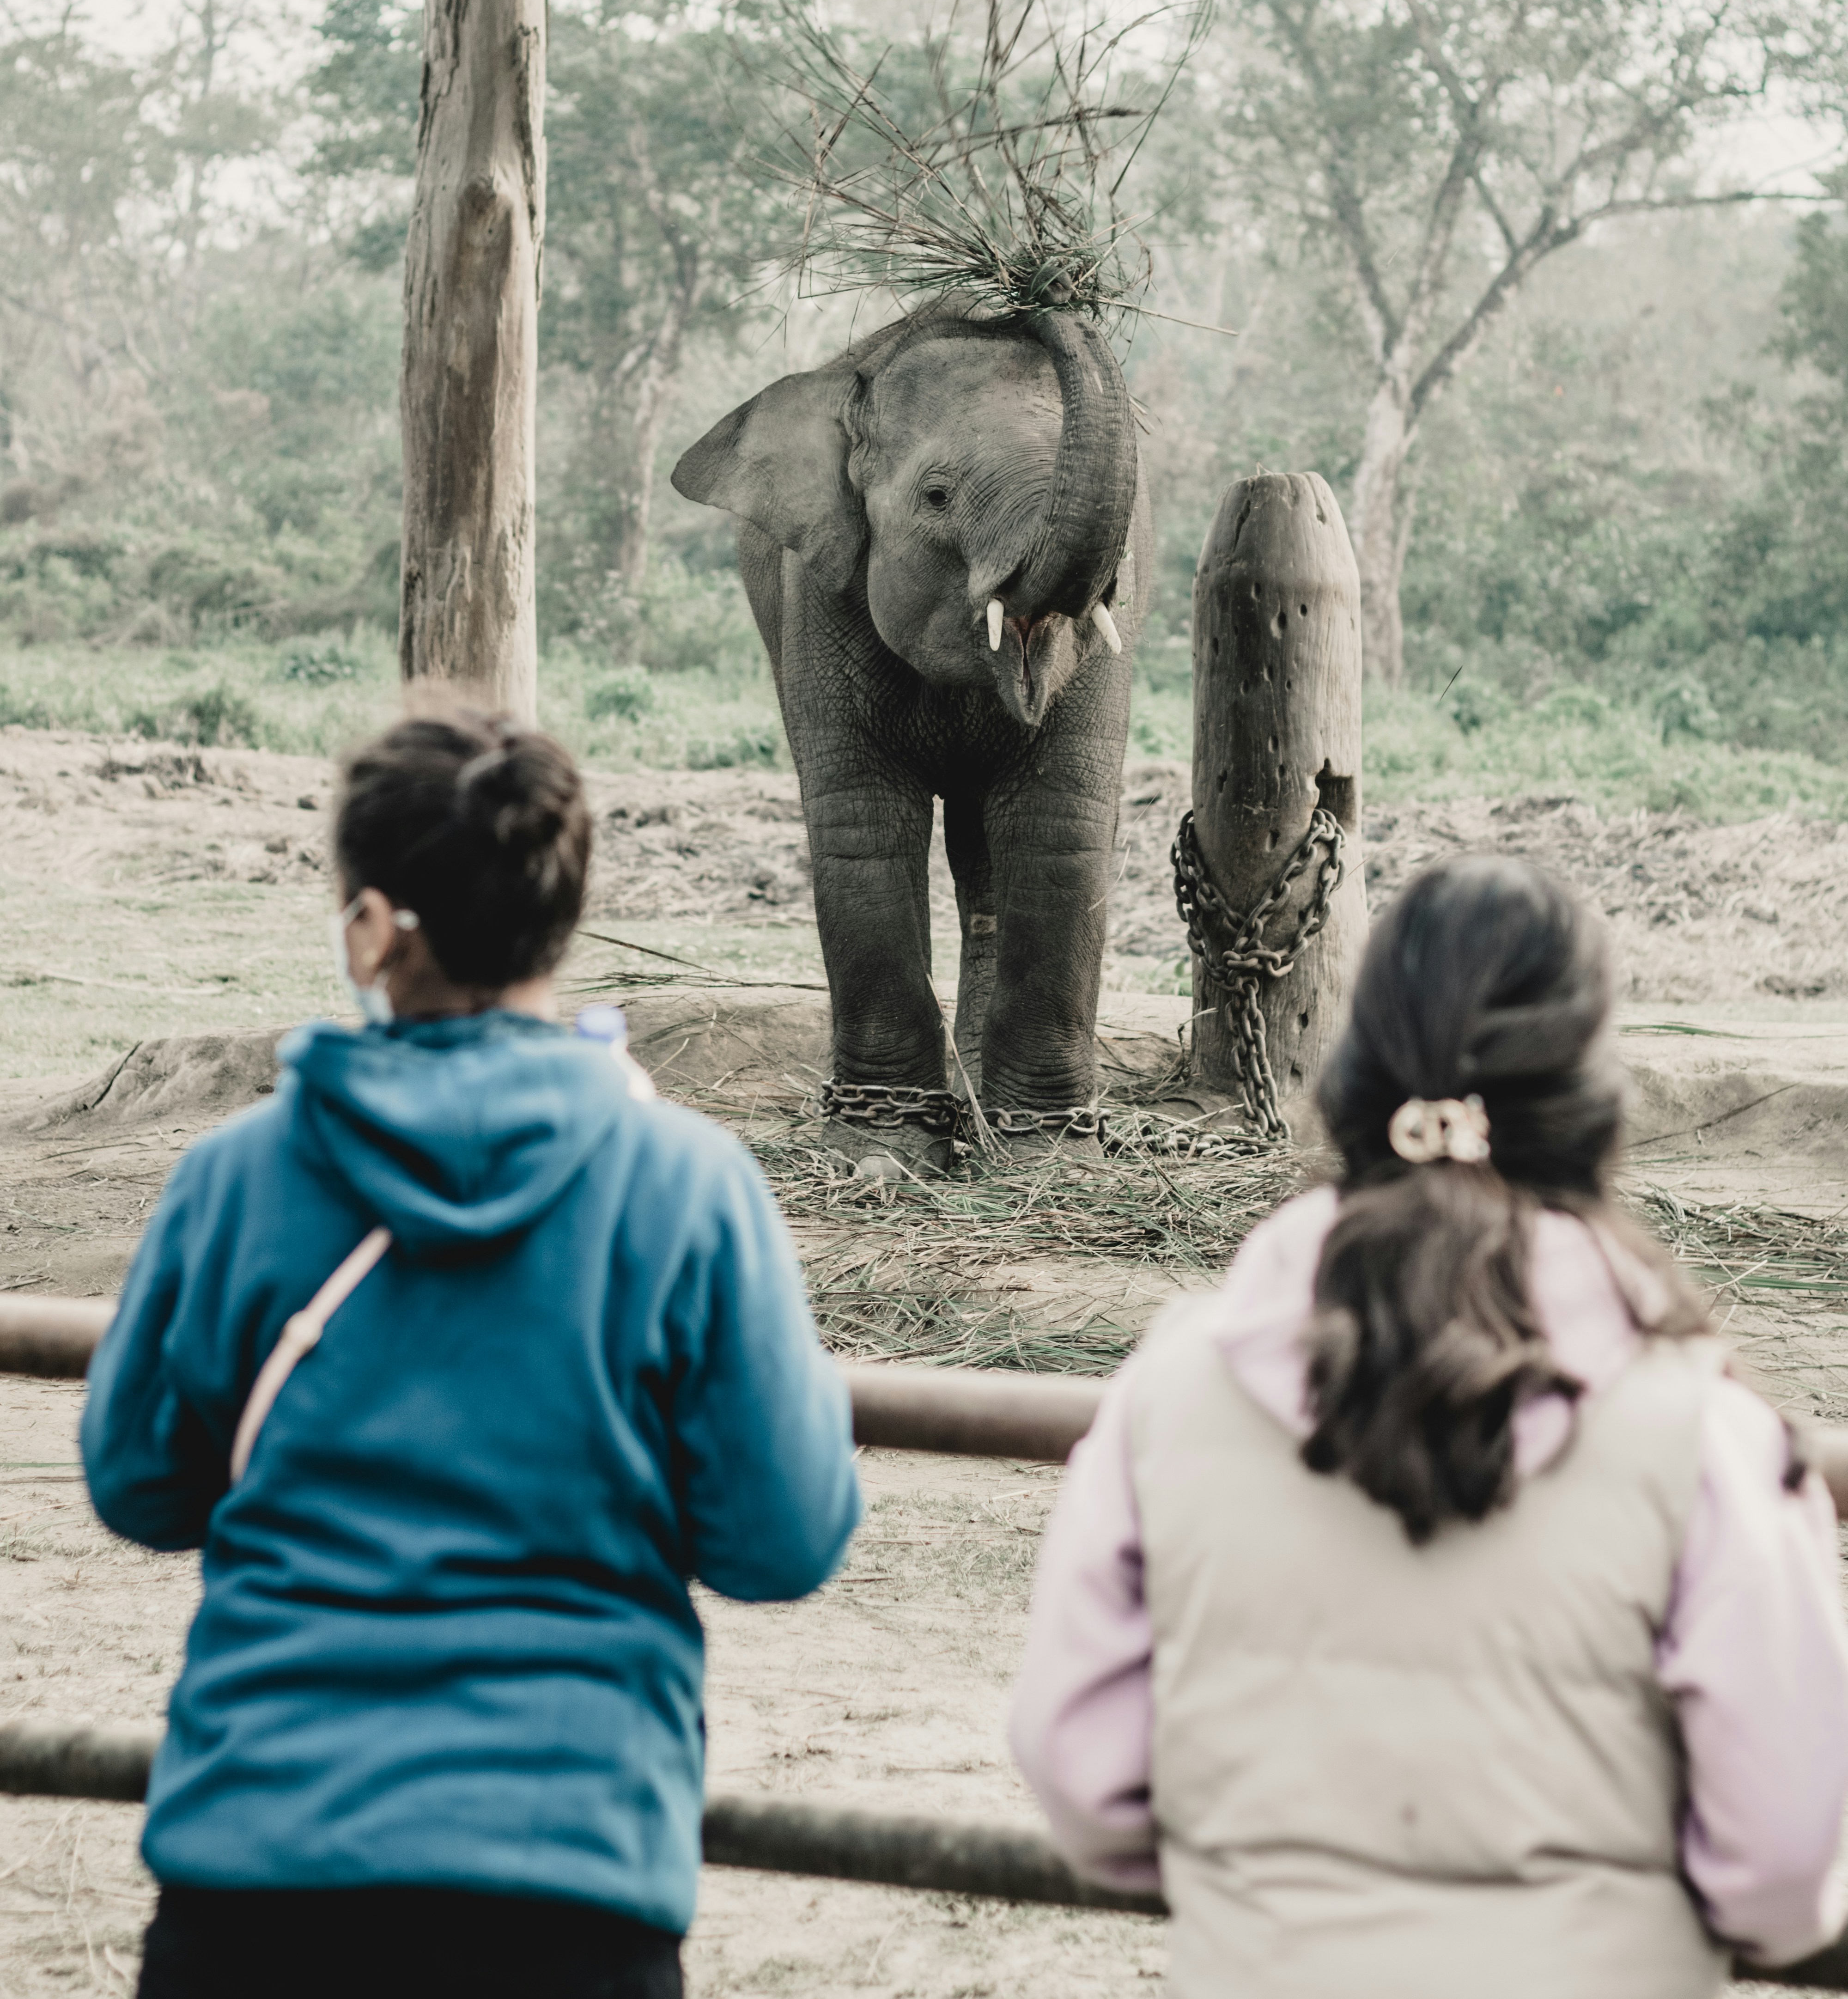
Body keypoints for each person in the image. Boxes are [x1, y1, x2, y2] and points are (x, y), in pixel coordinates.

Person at [82, 705, 862, 1999]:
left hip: (259, 1868)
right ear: (562, 918)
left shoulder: (236, 1176)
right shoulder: (690, 1187)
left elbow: (138, 1480)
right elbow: (785, 1536)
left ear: (372, 928)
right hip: (571, 1886)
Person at [1010, 854, 1848, 1999]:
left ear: (1352, 1083)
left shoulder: (1173, 1386)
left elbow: (1079, 1775)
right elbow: (1782, 1869)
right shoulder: (1701, 1436)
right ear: (1592, 1115)